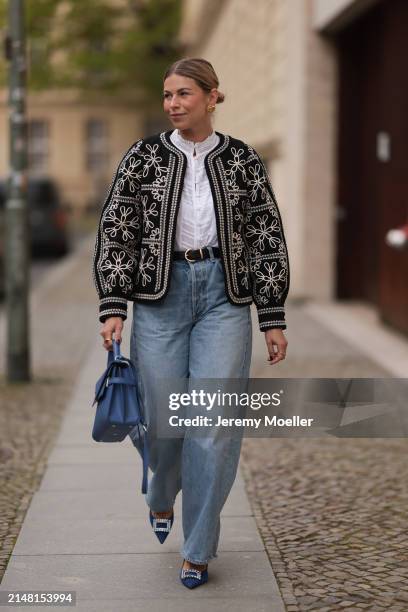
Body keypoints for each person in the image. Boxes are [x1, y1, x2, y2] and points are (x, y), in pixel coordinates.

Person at [92, 57, 290, 589]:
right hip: (161, 299)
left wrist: (271, 314)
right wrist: (113, 304)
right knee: (163, 423)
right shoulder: (142, 158)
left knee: (214, 429)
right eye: (167, 95)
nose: (173, 103)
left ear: (211, 96)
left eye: (183, 93)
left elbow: (266, 234)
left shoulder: (243, 160)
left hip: (225, 298)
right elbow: (117, 228)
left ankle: (198, 548)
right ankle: (161, 490)